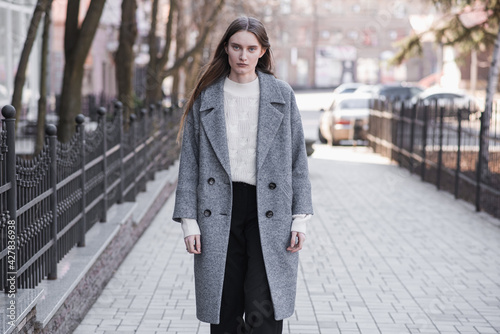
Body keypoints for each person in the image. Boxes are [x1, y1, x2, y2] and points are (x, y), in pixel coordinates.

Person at [172, 16, 313, 334]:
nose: (243, 55)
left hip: (271, 210)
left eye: (251, 48)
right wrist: (188, 221)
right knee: (225, 303)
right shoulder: (206, 96)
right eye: (236, 47)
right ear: (226, 48)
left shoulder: (281, 94)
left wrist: (300, 218)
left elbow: (297, 160)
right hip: (218, 209)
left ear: (263, 51)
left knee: (264, 303)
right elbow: (190, 161)